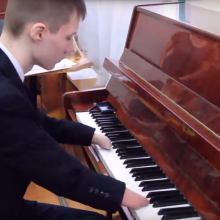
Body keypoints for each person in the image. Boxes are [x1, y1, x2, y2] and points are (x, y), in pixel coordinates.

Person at [0, 0, 149, 219]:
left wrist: (92, 135)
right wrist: (126, 196)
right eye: (69, 37)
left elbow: (33, 123)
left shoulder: (7, 73)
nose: (71, 48)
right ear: (38, 33)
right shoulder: (5, 96)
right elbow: (52, 167)